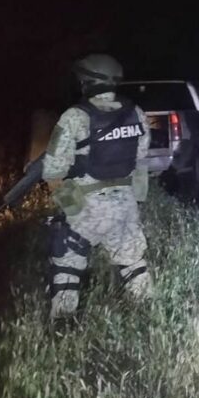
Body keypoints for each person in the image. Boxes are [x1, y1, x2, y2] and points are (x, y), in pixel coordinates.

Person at [41, 54, 152, 320]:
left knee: (67, 262)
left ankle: (64, 324)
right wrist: (134, 202)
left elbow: (53, 172)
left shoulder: (75, 116)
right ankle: (147, 314)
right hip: (125, 206)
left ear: (87, 82)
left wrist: (73, 210)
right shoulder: (136, 112)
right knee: (133, 263)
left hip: (87, 206)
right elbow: (140, 161)